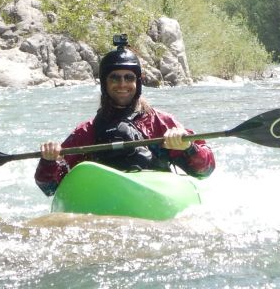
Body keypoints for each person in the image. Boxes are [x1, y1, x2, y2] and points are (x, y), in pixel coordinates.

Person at [35, 37, 215, 196]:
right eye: (114, 78)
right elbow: (49, 188)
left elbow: (205, 171)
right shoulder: (86, 132)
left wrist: (188, 147)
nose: (122, 84)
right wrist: (48, 161)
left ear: (138, 82)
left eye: (129, 78)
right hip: (106, 198)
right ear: (105, 83)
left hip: (154, 197)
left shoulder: (161, 123)